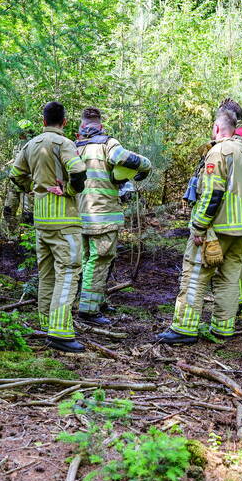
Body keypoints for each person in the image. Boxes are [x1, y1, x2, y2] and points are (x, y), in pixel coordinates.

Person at [157, 107, 242, 344]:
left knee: (195, 275)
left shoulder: (219, 152)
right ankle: (223, 328)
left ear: (217, 128)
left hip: (217, 227)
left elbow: (212, 193)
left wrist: (199, 226)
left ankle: (184, 328)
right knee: (229, 279)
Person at [9, 101, 87, 353]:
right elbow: (79, 173)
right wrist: (69, 190)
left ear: (43, 121)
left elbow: (16, 175)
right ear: (64, 122)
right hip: (64, 220)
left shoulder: (31, 145)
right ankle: (60, 332)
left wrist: (35, 189)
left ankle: (46, 323)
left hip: (41, 221)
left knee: (47, 274)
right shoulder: (65, 143)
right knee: (69, 271)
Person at [74, 107, 151, 326]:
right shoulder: (108, 143)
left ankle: (95, 300)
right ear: (101, 126)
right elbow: (121, 157)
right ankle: (89, 309)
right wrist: (146, 165)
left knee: (86, 260)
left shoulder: (74, 147)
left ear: (81, 127)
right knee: (99, 261)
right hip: (103, 216)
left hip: (80, 215)